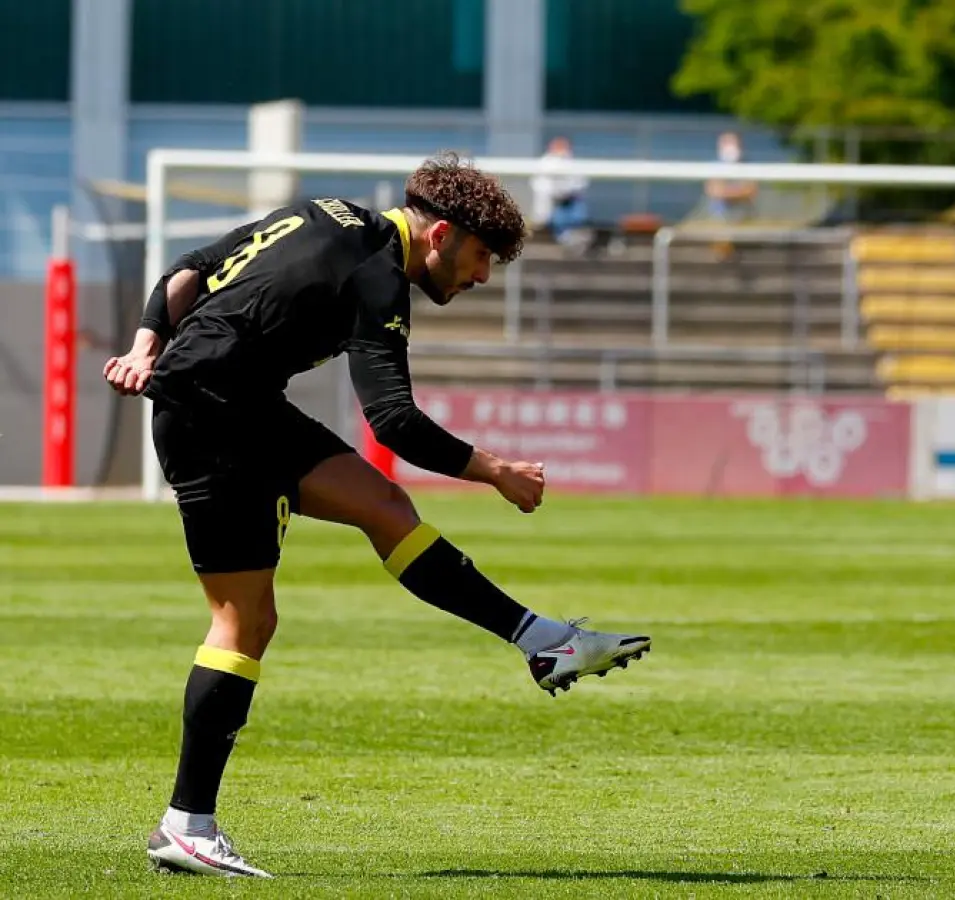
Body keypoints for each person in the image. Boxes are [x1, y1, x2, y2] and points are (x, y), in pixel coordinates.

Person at [101, 153, 651, 879]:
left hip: (243, 407)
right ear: (441, 235)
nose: (482, 276)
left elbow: (192, 267)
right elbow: (393, 420)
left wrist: (146, 344)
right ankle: (186, 826)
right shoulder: (380, 276)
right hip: (210, 420)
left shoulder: (326, 213)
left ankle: (543, 642)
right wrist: (495, 471)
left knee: (385, 507)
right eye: (481, 256)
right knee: (245, 623)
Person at [530, 136, 589, 245]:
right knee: (559, 217)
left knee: (578, 210)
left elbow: (580, 182)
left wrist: (569, 192)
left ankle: (574, 236)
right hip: (554, 202)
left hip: (571, 199)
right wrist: (559, 193)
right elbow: (541, 185)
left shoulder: (572, 162)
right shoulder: (545, 163)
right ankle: (565, 237)